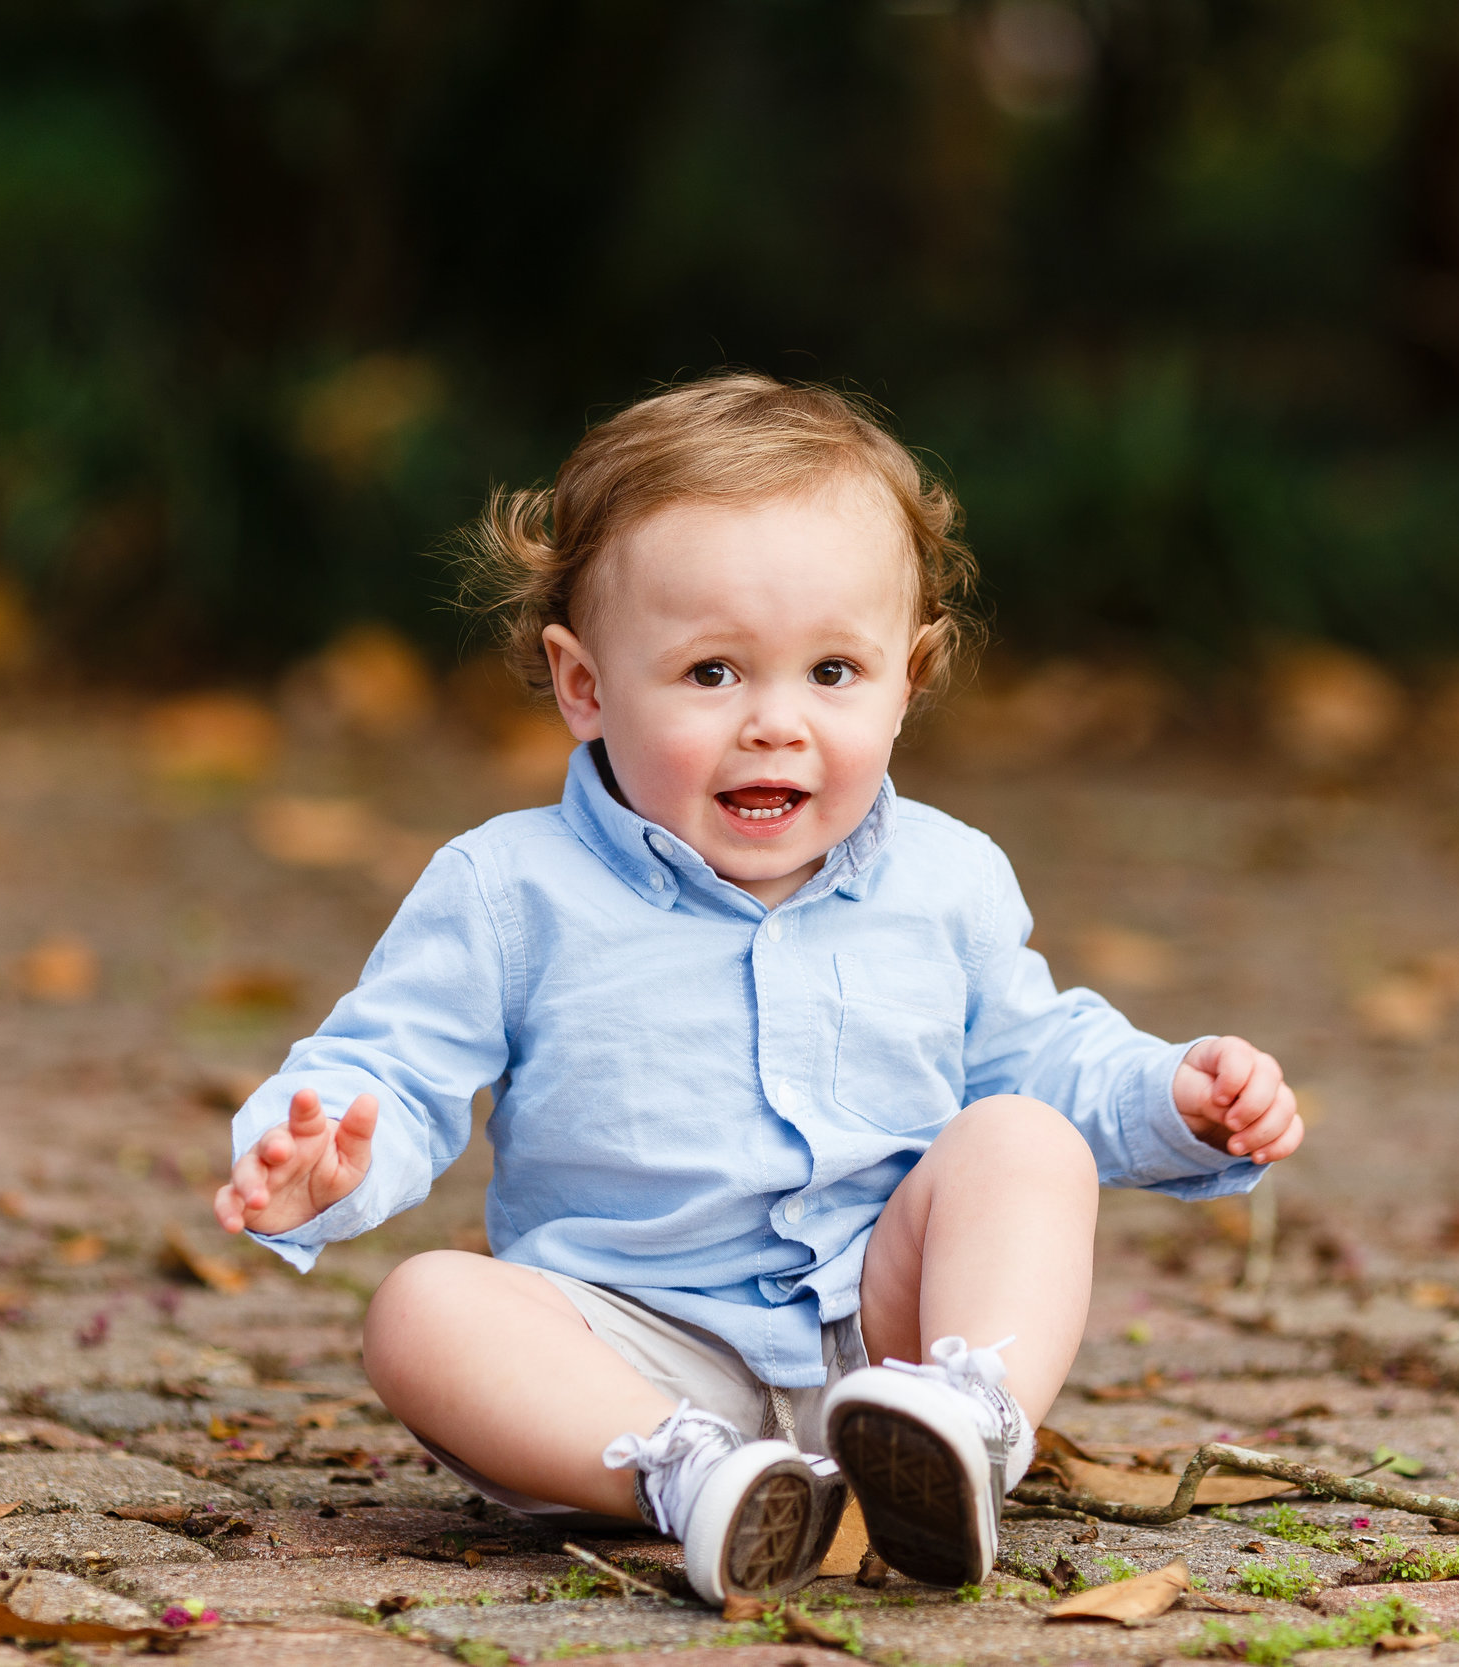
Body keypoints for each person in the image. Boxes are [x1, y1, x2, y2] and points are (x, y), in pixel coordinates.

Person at [214, 374, 1304, 1604]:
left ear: (911, 675)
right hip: (626, 1346)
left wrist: (1173, 1094)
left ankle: (962, 1423)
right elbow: (396, 1064)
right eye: (712, 672)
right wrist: (324, 1150)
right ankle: (697, 1480)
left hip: (881, 1333)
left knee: (1023, 1137)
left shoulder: (949, 877)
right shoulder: (509, 888)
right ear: (585, 685)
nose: (775, 722)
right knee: (422, 1307)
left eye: (833, 671)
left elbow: (1037, 1055)